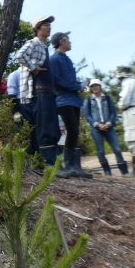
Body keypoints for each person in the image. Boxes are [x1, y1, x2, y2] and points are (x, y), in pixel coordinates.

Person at [16, 15, 71, 177]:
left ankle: (49, 164)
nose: (49, 27)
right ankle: (52, 166)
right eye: (46, 24)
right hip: (39, 90)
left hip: (48, 90)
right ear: (38, 28)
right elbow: (19, 55)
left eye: (49, 24)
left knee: (51, 128)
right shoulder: (34, 42)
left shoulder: (44, 46)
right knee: (46, 128)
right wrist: (33, 67)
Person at [49, 31, 92, 179]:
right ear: (62, 41)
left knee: (75, 131)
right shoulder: (54, 59)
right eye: (68, 40)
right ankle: (68, 164)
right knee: (72, 129)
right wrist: (77, 86)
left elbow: (69, 81)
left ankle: (75, 165)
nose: (71, 42)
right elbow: (58, 82)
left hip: (73, 99)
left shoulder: (66, 59)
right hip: (63, 99)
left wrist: (80, 84)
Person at [83, 78, 129, 176]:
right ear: (91, 88)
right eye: (92, 86)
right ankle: (107, 172)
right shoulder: (88, 100)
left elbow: (113, 112)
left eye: (96, 85)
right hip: (96, 128)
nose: (95, 87)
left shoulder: (108, 98)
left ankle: (124, 172)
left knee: (117, 148)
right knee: (100, 150)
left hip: (109, 127)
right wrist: (97, 124)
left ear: (100, 86)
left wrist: (108, 123)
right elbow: (87, 115)